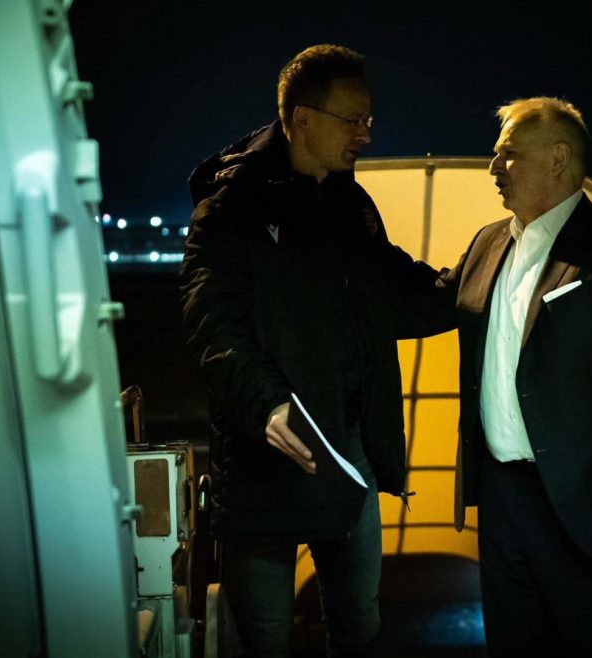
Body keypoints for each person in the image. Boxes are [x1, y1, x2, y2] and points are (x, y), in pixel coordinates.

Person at [180, 44, 446, 656]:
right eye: (353, 120)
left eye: (369, 120)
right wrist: (267, 403)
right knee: (265, 636)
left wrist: (478, 288)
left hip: (348, 451)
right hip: (265, 457)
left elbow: (396, 289)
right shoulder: (232, 208)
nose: (366, 135)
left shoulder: (351, 207)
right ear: (301, 119)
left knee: (359, 624)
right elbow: (211, 320)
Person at [438, 97, 592, 656]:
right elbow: (428, 300)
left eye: (508, 155)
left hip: (587, 500)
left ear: (558, 159)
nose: (494, 168)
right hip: (504, 498)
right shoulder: (488, 242)